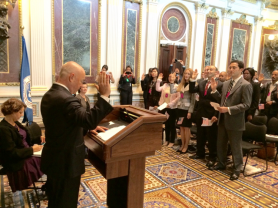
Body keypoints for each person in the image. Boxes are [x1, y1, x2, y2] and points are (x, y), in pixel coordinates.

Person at [41, 61, 113, 207]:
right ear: (71, 77)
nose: (81, 85)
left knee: (56, 201)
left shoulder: (51, 94)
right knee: (65, 203)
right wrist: (104, 95)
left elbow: (64, 123)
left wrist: (85, 128)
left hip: (55, 160)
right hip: (66, 164)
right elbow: (89, 120)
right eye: (80, 81)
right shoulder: (66, 98)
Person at [209, 60, 252, 181]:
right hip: (223, 119)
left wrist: (228, 109)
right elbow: (222, 100)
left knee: (235, 146)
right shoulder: (227, 83)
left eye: (234, 67)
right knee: (221, 143)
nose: (231, 70)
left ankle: (237, 169)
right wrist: (214, 91)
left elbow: (246, 104)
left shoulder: (245, 85)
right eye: (230, 67)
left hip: (235, 120)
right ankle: (221, 163)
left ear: (241, 69)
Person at [0, 98, 44, 192]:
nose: (22, 115)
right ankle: (51, 186)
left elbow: (23, 139)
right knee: (49, 160)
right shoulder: (3, 129)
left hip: (26, 154)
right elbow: (12, 153)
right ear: (12, 111)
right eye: (20, 112)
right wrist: (32, 150)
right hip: (17, 161)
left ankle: (51, 185)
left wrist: (38, 138)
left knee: (51, 157)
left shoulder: (15, 123)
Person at [189, 66, 223, 167]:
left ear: (216, 72)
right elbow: (192, 90)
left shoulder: (220, 84)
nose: (207, 71)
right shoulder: (202, 82)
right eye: (206, 69)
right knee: (200, 134)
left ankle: (212, 157)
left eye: (210, 70)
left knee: (211, 137)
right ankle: (200, 153)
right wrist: (192, 79)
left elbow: (219, 101)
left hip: (211, 114)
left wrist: (216, 115)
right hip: (201, 112)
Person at [156, 73, 180, 148]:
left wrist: (171, 104)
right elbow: (157, 89)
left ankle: (172, 141)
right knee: (166, 125)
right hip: (164, 107)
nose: (170, 78)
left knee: (172, 125)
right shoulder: (165, 85)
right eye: (169, 76)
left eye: (172, 77)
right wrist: (159, 80)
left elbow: (178, 97)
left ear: (175, 78)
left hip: (172, 108)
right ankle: (166, 140)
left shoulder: (177, 86)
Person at [176, 68, 196, 153]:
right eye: (185, 73)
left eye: (188, 74)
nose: (186, 75)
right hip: (180, 108)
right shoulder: (181, 84)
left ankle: (186, 146)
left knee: (186, 128)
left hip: (187, 110)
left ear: (191, 75)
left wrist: (190, 112)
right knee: (181, 127)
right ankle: (182, 145)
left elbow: (193, 101)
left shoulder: (193, 85)